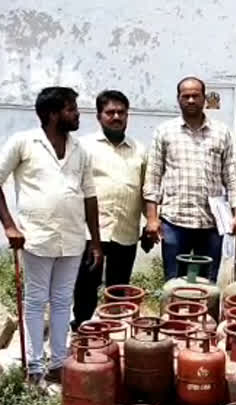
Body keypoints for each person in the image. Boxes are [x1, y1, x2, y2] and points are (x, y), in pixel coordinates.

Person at [0, 87, 102, 386]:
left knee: (62, 301)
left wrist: (95, 241)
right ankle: (34, 366)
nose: (77, 113)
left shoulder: (79, 148)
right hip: (36, 238)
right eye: (71, 108)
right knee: (35, 300)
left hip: (72, 238)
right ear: (53, 114)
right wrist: (9, 225)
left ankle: (57, 363)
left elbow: (90, 196)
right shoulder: (23, 142)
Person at [144, 77, 236, 281]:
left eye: (195, 96)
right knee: (173, 282)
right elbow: (153, 177)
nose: (190, 100)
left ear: (204, 98)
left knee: (206, 285)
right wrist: (152, 219)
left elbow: (231, 175)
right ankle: (173, 314)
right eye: (185, 96)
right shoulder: (164, 132)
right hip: (175, 221)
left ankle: (203, 314)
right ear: (178, 99)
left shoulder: (221, 132)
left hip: (211, 222)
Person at [71, 90, 146, 328]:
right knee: (85, 286)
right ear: (99, 116)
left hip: (126, 231)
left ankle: (112, 333)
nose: (116, 117)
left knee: (118, 289)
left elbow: (146, 190)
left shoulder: (139, 150)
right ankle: (82, 332)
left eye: (121, 112)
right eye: (110, 112)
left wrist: (152, 223)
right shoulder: (82, 147)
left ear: (128, 115)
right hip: (91, 233)